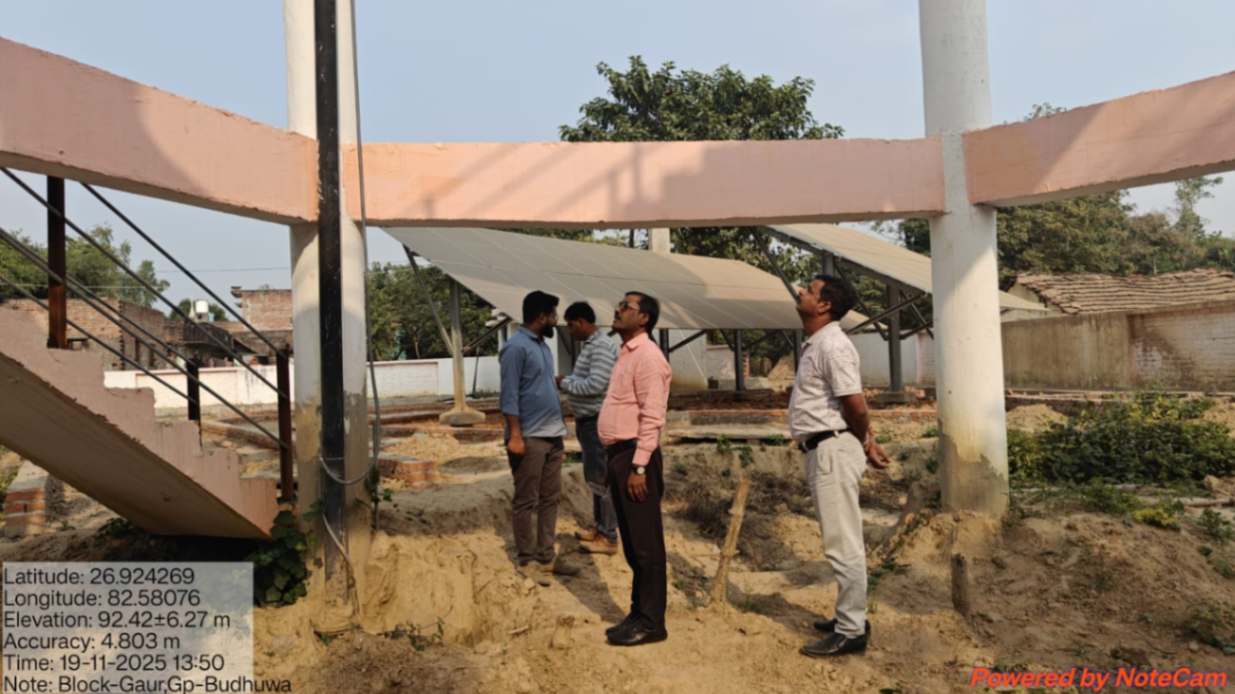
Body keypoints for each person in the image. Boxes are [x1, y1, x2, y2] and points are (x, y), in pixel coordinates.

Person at [789, 274, 889, 657]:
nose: (801, 291)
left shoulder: (832, 346)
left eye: (810, 290)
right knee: (841, 538)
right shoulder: (818, 343)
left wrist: (865, 441)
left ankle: (851, 629)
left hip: (832, 448)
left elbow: (855, 405)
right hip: (825, 446)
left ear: (824, 305)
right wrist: (867, 441)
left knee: (842, 542)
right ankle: (849, 616)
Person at [598, 291, 673, 647]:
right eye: (619, 305)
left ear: (643, 318)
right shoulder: (627, 353)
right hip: (621, 456)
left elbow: (652, 416)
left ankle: (652, 622)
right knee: (632, 542)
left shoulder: (648, 357)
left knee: (646, 546)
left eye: (626, 307)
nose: (617, 310)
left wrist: (639, 467)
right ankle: (638, 613)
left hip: (635, 458)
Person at [499, 290, 577, 586]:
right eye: (553, 315)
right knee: (526, 500)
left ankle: (546, 557)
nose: (557, 321)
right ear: (541, 317)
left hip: (552, 435)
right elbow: (509, 395)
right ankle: (526, 560)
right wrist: (515, 435)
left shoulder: (543, 346)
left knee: (550, 498)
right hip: (529, 437)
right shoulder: (515, 348)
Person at [557, 301, 620, 555]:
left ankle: (609, 535)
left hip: (597, 420)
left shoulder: (601, 347)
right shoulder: (591, 346)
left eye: (571, 326)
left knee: (602, 478)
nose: (571, 331)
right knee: (595, 478)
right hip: (588, 420)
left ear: (582, 322)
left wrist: (565, 383)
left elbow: (595, 385)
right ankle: (600, 527)